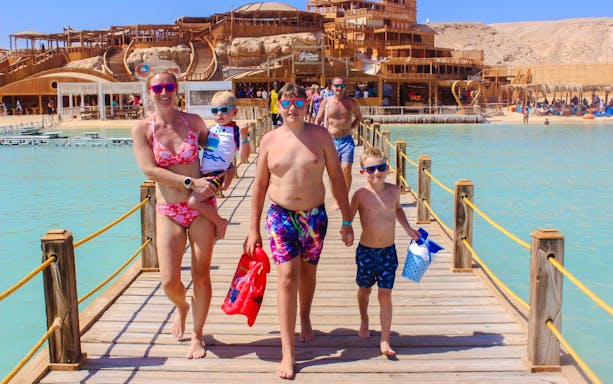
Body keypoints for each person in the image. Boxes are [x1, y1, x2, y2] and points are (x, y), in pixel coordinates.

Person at [244, 82, 354, 379]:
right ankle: (288, 352)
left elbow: (336, 177)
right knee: (287, 277)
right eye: (286, 103)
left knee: (308, 274)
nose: (292, 108)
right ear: (278, 106)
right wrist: (253, 229)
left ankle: (304, 315)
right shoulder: (268, 140)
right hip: (280, 215)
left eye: (298, 102)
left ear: (307, 104)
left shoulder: (320, 137)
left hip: (315, 217)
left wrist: (346, 219)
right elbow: (259, 186)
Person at [131, 71, 233, 359]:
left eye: (169, 86)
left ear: (177, 90)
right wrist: (190, 182)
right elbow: (149, 170)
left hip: (200, 208)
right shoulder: (142, 129)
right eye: (158, 87)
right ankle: (182, 307)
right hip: (169, 210)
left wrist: (229, 170)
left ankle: (197, 335)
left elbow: (219, 153)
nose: (164, 92)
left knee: (202, 276)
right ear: (149, 91)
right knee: (168, 281)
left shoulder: (194, 122)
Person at [350, 147, 420, 356]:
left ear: (387, 169)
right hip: (366, 252)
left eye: (381, 168)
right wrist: (346, 229)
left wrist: (408, 229)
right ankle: (364, 318)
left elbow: (397, 209)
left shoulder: (395, 191)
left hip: (388, 252)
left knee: (385, 294)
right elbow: (349, 216)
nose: (376, 173)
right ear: (363, 172)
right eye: (371, 169)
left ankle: (385, 339)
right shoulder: (360, 195)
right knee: (364, 289)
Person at [187, 91, 250, 239]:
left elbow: (245, 156)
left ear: (234, 111)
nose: (219, 114)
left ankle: (220, 222)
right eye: (215, 111)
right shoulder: (212, 130)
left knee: (193, 201)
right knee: (208, 202)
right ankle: (216, 230)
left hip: (217, 173)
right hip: (205, 174)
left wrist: (244, 136)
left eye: (224, 110)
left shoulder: (235, 131)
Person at [315, 76, 363, 208]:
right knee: (333, 173)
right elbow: (318, 120)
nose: (339, 88)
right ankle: (336, 199)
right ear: (331, 87)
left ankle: (344, 197)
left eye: (342, 86)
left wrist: (350, 128)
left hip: (347, 140)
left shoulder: (351, 102)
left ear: (345, 88)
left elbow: (359, 117)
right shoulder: (326, 102)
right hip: (331, 142)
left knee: (346, 170)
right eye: (336, 86)